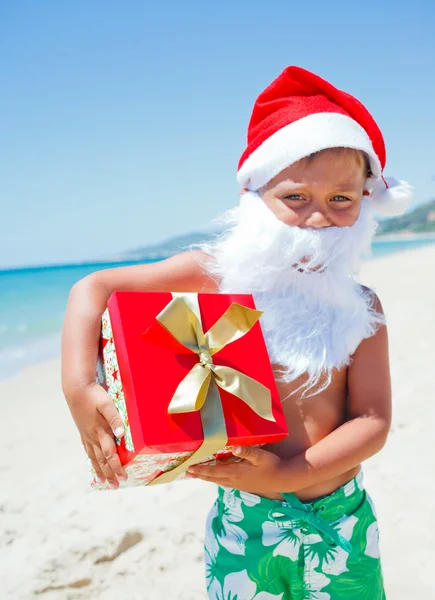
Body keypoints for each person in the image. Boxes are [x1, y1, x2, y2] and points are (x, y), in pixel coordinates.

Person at [62, 66, 412, 599]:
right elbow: (95, 288)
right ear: (257, 193)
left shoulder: (360, 307)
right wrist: (78, 386)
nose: (318, 216)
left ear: (366, 203)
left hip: (341, 519)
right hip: (244, 522)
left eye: (342, 200)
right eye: (296, 198)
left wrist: (288, 473)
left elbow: (373, 420)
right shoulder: (221, 273)